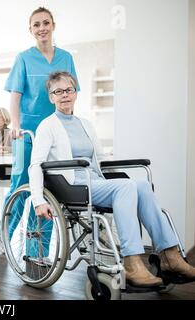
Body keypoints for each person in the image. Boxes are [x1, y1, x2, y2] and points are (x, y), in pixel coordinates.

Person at [28, 71, 195, 287]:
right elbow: (35, 165)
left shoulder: (85, 124)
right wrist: (38, 200)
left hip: (95, 181)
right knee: (125, 187)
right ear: (51, 97)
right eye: (58, 91)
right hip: (72, 186)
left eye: (69, 89)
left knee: (142, 185)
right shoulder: (47, 126)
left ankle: (170, 257)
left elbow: (101, 158)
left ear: (76, 92)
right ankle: (132, 263)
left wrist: (114, 165)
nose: (64, 95)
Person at [3, 7, 79, 232]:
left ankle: (37, 247)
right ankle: (5, 233)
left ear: (53, 25)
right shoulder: (24, 58)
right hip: (28, 133)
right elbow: (15, 97)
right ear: (30, 30)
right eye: (36, 25)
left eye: (46, 23)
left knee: (50, 188)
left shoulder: (66, 58)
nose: (42, 28)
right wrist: (16, 126)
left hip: (57, 132)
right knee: (21, 185)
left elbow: (72, 94)